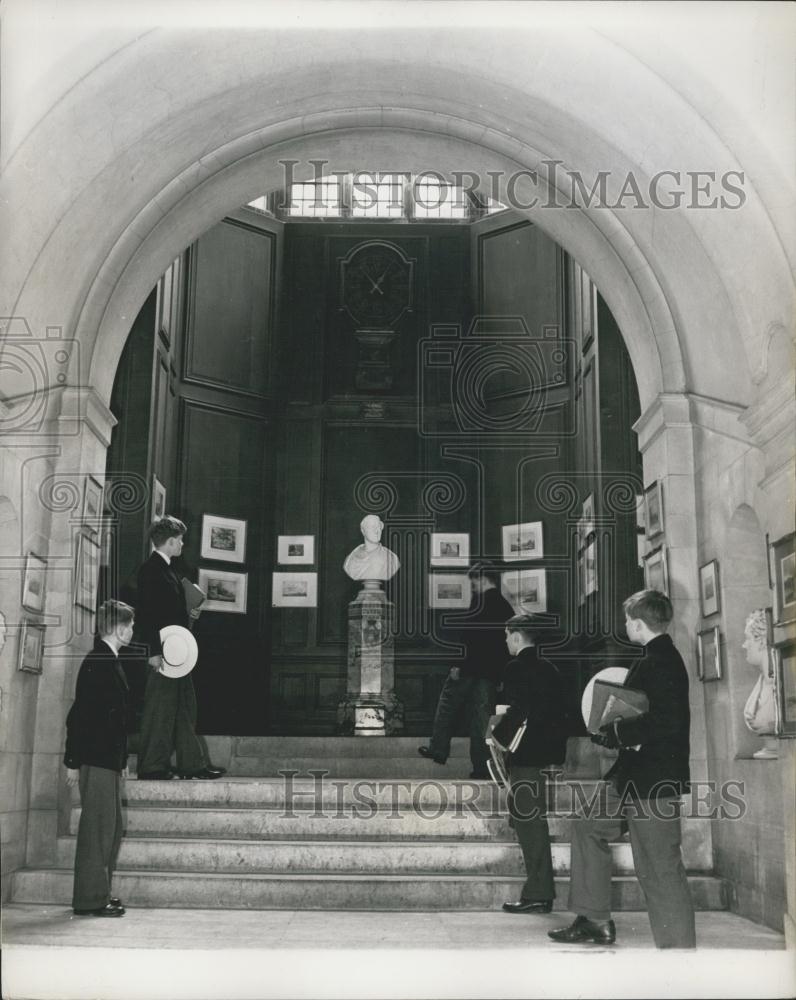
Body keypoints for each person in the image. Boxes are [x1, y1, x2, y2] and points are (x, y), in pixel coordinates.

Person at [549, 589, 696, 948]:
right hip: (631, 777)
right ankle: (595, 921)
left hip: (653, 780)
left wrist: (616, 731)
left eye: (629, 620)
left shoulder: (663, 660)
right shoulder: (652, 658)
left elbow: (667, 722)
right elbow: (645, 716)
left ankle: (680, 950)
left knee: (659, 865)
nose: (625, 625)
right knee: (587, 827)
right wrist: (614, 733)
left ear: (640, 624)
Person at [135, 515, 223, 780]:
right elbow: (147, 615)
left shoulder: (168, 570)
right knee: (160, 709)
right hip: (163, 652)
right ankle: (151, 766)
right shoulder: (151, 570)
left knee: (185, 707)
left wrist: (190, 612)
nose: (183, 544)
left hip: (176, 651)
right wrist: (152, 652)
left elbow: (169, 611)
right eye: (180, 540)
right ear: (171, 541)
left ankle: (191, 765)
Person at [64, 600, 135, 916]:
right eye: (131, 625)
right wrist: (72, 761)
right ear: (120, 628)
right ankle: (91, 898)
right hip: (97, 759)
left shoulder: (108, 659)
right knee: (98, 829)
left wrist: (122, 760)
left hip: (107, 760)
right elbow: (79, 715)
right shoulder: (99, 661)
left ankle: (99, 892)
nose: (133, 630)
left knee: (111, 827)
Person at [496, 614, 568, 915]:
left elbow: (517, 713)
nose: (505, 641)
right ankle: (538, 891)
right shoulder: (550, 668)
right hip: (543, 754)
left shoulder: (516, 667)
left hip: (525, 755)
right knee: (528, 819)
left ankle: (538, 893)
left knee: (529, 824)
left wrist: (499, 737)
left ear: (515, 636)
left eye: (506, 635)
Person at [418, 562, 515, 779]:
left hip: (468, 667)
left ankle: (439, 749)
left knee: (447, 706)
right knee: (481, 720)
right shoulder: (505, 606)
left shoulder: (478, 602)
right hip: (489, 673)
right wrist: (500, 676)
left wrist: (457, 664)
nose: (472, 586)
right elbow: (505, 646)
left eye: (474, 582)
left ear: (483, 579)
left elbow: (468, 638)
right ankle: (482, 768)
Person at [742, 608, 778, 759]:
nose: (744, 645)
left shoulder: (782, 685)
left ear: (762, 642)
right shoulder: (762, 683)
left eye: (748, 638)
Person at [343, 514, 400, 581]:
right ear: (363, 531)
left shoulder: (391, 558)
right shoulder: (350, 559)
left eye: (379, 527)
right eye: (373, 527)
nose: (377, 531)